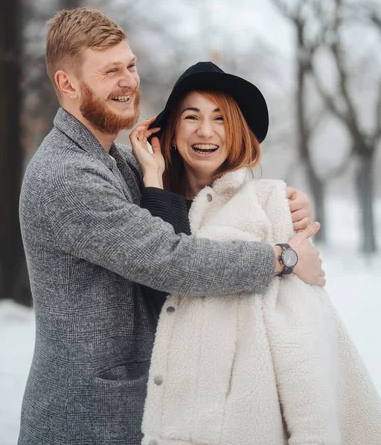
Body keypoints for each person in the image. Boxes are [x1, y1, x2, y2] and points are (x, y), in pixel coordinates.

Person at [18, 8, 322, 445]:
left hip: (138, 413)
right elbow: (171, 258)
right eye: (110, 72)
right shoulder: (68, 177)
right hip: (87, 420)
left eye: (131, 66)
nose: (128, 81)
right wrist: (283, 256)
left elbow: (196, 211)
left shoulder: (118, 161)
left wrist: (280, 204)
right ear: (66, 84)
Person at [129, 61, 381, 445]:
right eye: (191, 116)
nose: (206, 131)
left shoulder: (269, 207)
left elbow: (304, 344)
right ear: (172, 131)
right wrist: (153, 178)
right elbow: (167, 278)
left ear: (237, 131)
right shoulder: (143, 203)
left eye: (220, 118)